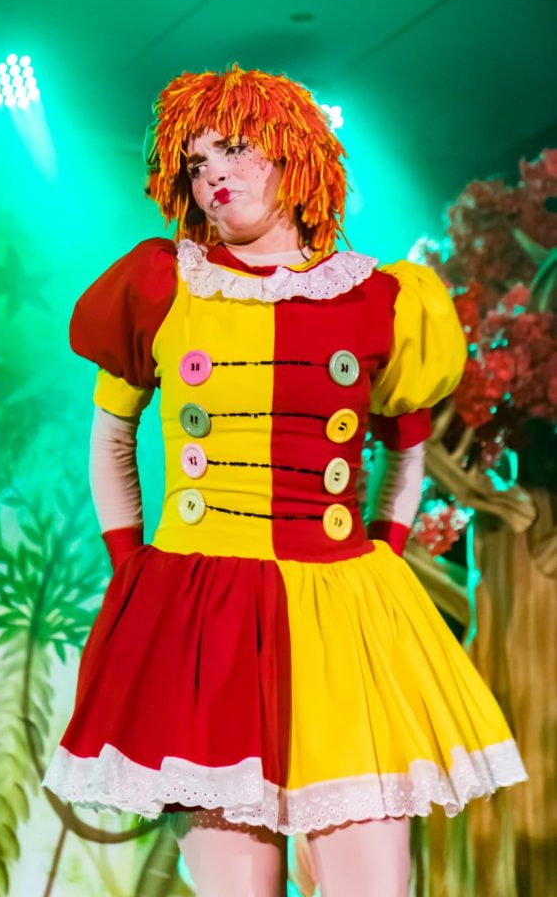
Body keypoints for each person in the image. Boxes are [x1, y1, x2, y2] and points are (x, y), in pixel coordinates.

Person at [43, 65, 528, 896]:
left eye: (234, 149)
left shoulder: (380, 299)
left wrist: (382, 551)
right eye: (195, 162)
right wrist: (134, 572)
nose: (213, 175)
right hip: (203, 611)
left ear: (295, 153)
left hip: (340, 607)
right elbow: (111, 434)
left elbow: (406, 445)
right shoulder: (159, 285)